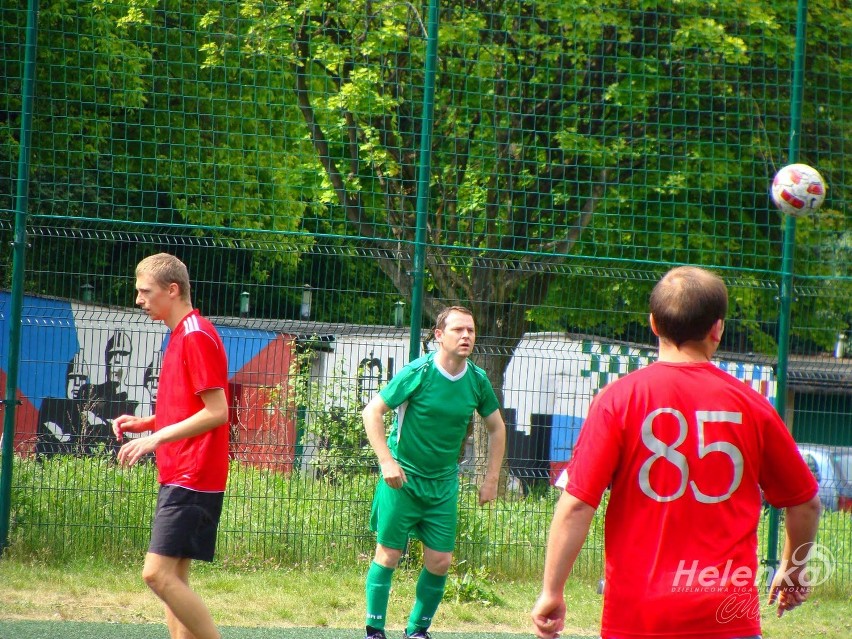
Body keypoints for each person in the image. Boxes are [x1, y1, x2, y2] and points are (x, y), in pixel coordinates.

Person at [531, 266, 821, 639]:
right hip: (726, 616)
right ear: (717, 329)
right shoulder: (753, 406)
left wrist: (552, 592)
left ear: (653, 323)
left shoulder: (617, 400)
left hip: (637, 616)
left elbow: (576, 505)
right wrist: (792, 570)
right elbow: (805, 502)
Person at [362, 306, 507, 639]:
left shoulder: (477, 380)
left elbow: (497, 429)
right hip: (403, 480)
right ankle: (374, 630)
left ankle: (417, 631)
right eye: (458, 330)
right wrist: (387, 461)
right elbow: (373, 412)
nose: (466, 336)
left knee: (440, 560)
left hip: (443, 484)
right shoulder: (419, 372)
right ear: (439, 336)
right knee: (388, 553)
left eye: (471, 330)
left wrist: (491, 479)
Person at [112, 253, 230, 639]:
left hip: (193, 475)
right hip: (182, 472)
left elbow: (217, 412)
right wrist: (145, 423)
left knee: (157, 574)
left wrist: (154, 438)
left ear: (172, 290)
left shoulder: (195, 334)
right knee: (174, 578)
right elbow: (189, 407)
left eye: (145, 292)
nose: (139, 300)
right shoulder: (181, 332)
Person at [79, 329, 139, 454]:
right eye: (111, 354)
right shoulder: (91, 392)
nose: (115, 361)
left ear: (129, 359)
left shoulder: (138, 399)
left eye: (122, 354)